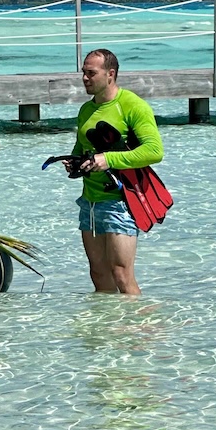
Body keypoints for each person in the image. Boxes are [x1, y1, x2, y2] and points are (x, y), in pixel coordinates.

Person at [72, 48, 164, 295]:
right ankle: (109, 331)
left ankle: (136, 329)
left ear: (110, 74)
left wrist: (109, 159)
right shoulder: (86, 110)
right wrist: (74, 162)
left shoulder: (133, 105)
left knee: (121, 273)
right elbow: (82, 147)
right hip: (89, 202)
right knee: (98, 273)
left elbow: (154, 151)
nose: (84, 78)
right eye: (83, 72)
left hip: (121, 201)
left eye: (91, 73)